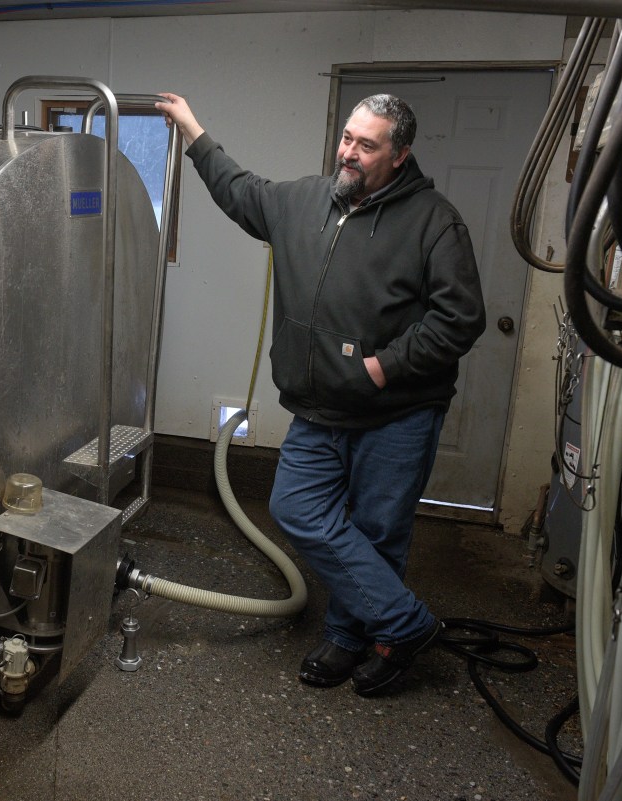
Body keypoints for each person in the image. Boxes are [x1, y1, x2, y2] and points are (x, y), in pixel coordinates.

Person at [155, 92, 486, 696]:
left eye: (367, 145)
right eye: (347, 139)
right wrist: (192, 130)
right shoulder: (304, 200)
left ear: (400, 154)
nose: (350, 153)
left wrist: (384, 368)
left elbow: (459, 319)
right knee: (296, 510)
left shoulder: (434, 220)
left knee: (379, 529)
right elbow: (238, 188)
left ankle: (354, 637)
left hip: (396, 413)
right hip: (319, 408)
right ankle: (405, 623)